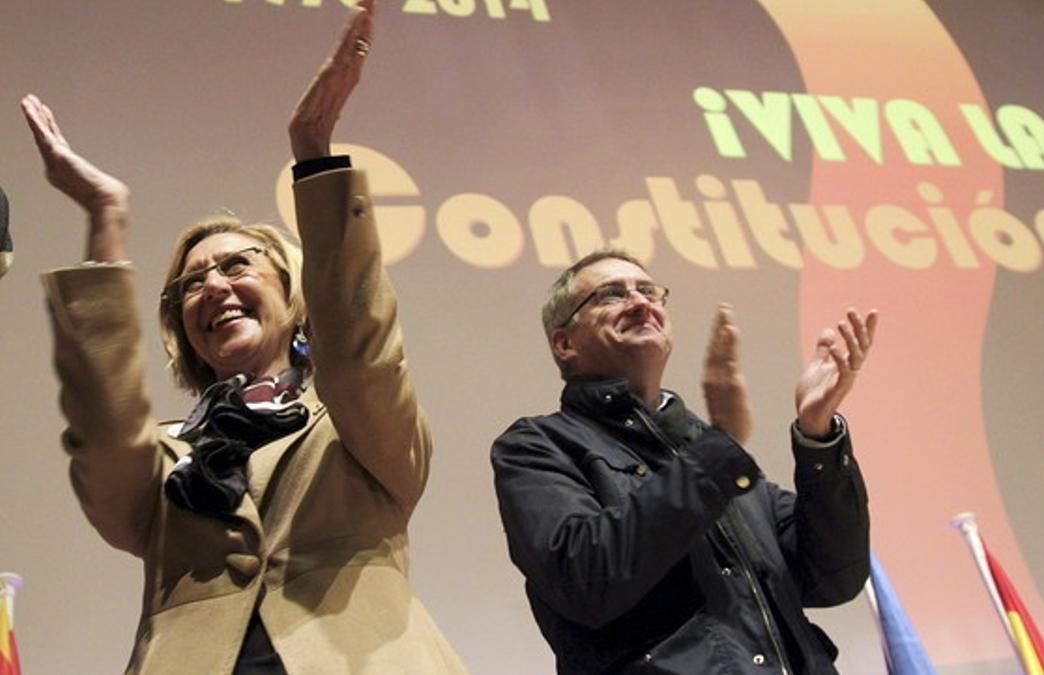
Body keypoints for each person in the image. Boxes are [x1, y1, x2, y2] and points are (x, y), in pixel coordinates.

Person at [24, 1, 467, 673]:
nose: (214, 287)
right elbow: (104, 425)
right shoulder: (164, 462)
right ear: (185, 330)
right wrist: (105, 216)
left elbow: (359, 350)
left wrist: (313, 151)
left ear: (294, 301)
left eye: (237, 265)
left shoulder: (357, 427)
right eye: (190, 285)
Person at [491, 250, 878, 674]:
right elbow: (586, 581)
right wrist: (718, 449)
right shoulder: (536, 445)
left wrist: (817, 436)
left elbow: (832, 577)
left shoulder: (711, 451)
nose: (641, 303)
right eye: (610, 295)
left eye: (649, 291)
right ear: (564, 343)